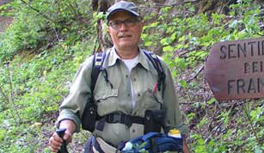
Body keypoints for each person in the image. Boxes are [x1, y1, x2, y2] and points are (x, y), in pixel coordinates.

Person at [48, 1, 189, 152]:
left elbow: (173, 124)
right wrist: (66, 131)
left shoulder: (158, 68)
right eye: (116, 23)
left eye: (129, 21)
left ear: (141, 26)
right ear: (109, 30)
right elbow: (71, 109)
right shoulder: (93, 67)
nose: (123, 28)